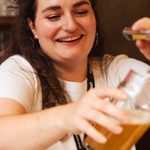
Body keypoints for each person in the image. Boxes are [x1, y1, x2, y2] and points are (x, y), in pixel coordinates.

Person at [0, 0, 149, 150]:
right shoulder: (18, 70)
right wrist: (68, 116)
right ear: (33, 27)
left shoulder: (116, 70)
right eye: (53, 16)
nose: (70, 26)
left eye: (81, 12)